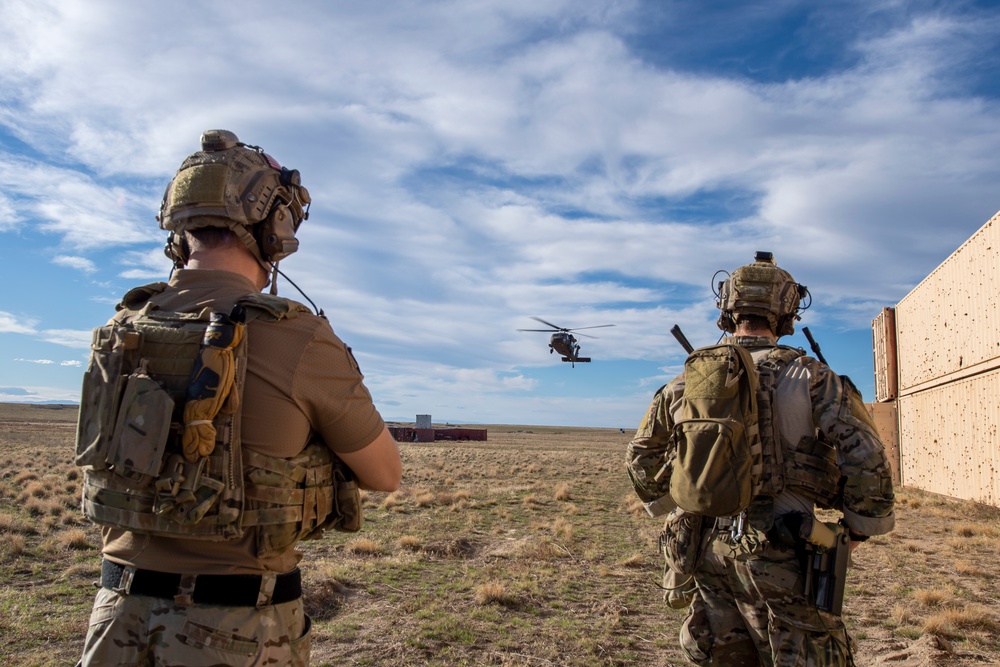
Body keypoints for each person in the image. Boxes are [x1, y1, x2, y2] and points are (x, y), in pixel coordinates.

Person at [74, 129, 402, 666]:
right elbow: (385, 474)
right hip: (239, 629)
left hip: (115, 617)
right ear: (276, 228)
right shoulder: (299, 339)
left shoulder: (119, 330)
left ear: (177, 226)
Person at [625, 252, 895, 667]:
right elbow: (866, 453)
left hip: (704, 549)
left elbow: (641, 456)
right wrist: (857, 528)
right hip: (786, 545)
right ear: (785, 310)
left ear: (727, 309)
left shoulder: (684, 382)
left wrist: (677, 504)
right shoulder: (812, 378)